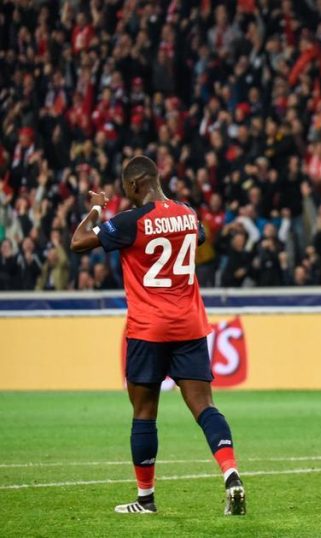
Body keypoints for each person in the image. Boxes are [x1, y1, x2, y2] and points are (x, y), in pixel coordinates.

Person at [70, 155, 245, 516]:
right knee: (205, 407)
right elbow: (200, 235)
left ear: (135, 184)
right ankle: (231, 475)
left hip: (148, 328)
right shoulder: (188, 213)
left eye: (126, 188)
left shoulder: (130, 221)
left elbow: (78, 242)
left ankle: (146, 499)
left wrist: (96, 209)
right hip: (189, 324)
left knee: (144, 412)